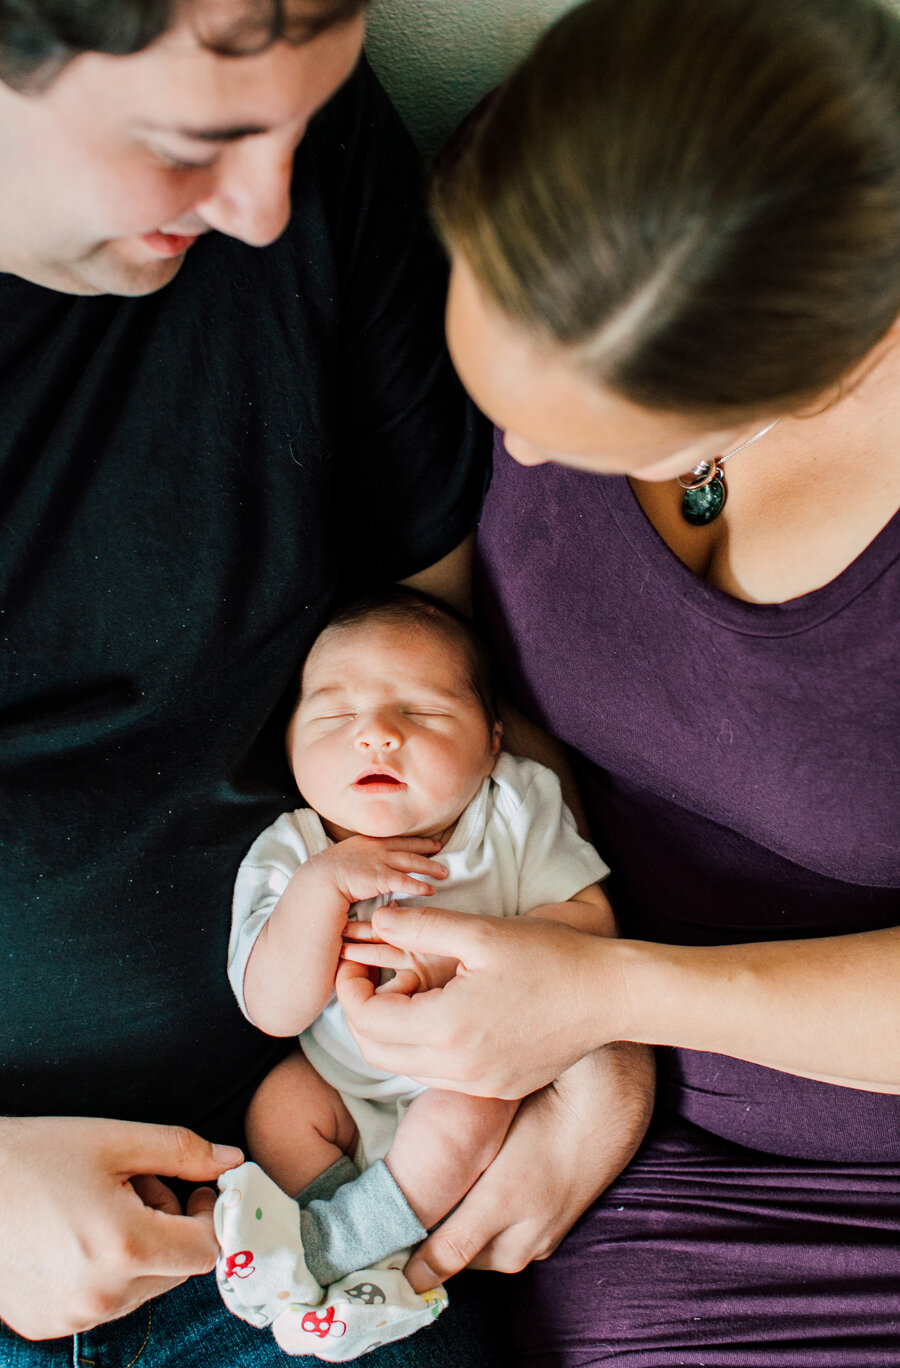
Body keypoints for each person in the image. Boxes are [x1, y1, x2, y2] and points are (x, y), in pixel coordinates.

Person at [335, 0, 900, 1362]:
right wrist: (583, 1027)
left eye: (599, 437)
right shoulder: (578, 249)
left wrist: (616, 1001)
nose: (517, 463)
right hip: (652, 1159)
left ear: (835, 365)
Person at [0, 1, 563, 1362]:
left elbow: (441, 679)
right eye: (192, 145)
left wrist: (575, 1051)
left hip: (322, 1160)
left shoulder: (311, 168)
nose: (262, 211)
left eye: (295, 127)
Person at [214, 586, 611, 1359]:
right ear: (292, 743)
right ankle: (373, 1258)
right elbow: (274, 1010)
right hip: (341, 1081)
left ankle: (328, 1254)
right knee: (279, 1103)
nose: (378, 737)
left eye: (424, 715)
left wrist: (472, 954)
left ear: (493, 744)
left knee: (469, 1106)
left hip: (470, 1075)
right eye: (335, 716)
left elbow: (590, 925)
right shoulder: (292, 853)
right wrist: (325, 887)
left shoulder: (514, 809)